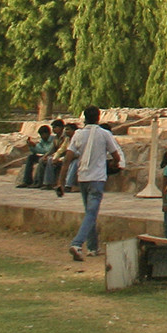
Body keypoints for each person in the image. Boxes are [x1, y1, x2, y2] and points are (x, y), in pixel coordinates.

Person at [67, 107, 125, 263]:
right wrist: (114, 163)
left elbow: (68, 157)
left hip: (83, 177)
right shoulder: (104, 134)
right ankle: (77, 243)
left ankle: (93, 247)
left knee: (89, 213)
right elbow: (116, 155)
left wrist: (62, 181)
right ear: (98, 118)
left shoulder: (78, 134)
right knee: (92, 213)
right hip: (97, 178)